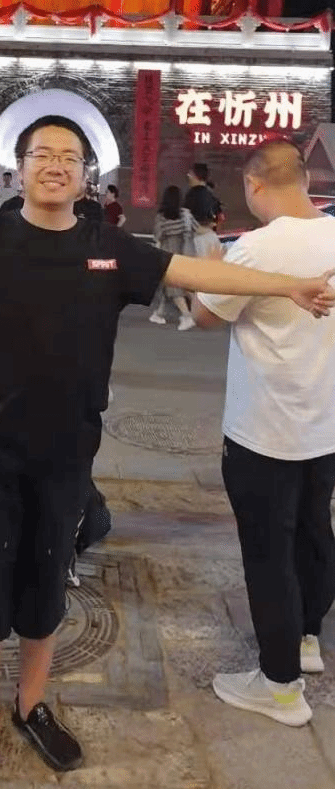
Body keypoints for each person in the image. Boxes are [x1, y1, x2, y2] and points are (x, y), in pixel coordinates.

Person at [0, 116, 334, 789]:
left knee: (46, 584)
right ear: (19, 168)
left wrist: (285, 286)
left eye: (69, 156)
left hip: (67, 454)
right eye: (42, 153)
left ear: (84, 176)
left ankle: (32, 704)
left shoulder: (108, 247)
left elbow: (191, 270)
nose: (55, 164)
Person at [192, 138, 335, 728]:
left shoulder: (256, 247)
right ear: (305, 179)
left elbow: (204, 315)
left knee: (268, 552)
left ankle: (280, 687)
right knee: (314, 532)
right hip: (325, 428)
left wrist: (208, 266)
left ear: (253, 185)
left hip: (263, 432)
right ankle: (306, 639)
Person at [149, 185, 197, 331]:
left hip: (167, 254)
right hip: (184, 253)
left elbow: (158, 235)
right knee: (168, 286)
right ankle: (159, 313)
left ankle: (187, 316)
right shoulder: (185, 215)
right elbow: (195, 229)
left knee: (173, 287)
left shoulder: (162, 217)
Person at [185, 163, 223, 229]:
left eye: (190, 174)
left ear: (197, 176)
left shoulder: (193, 194)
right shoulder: (211, 193)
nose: (188, 176)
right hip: (209, 231)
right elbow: (220, 216)